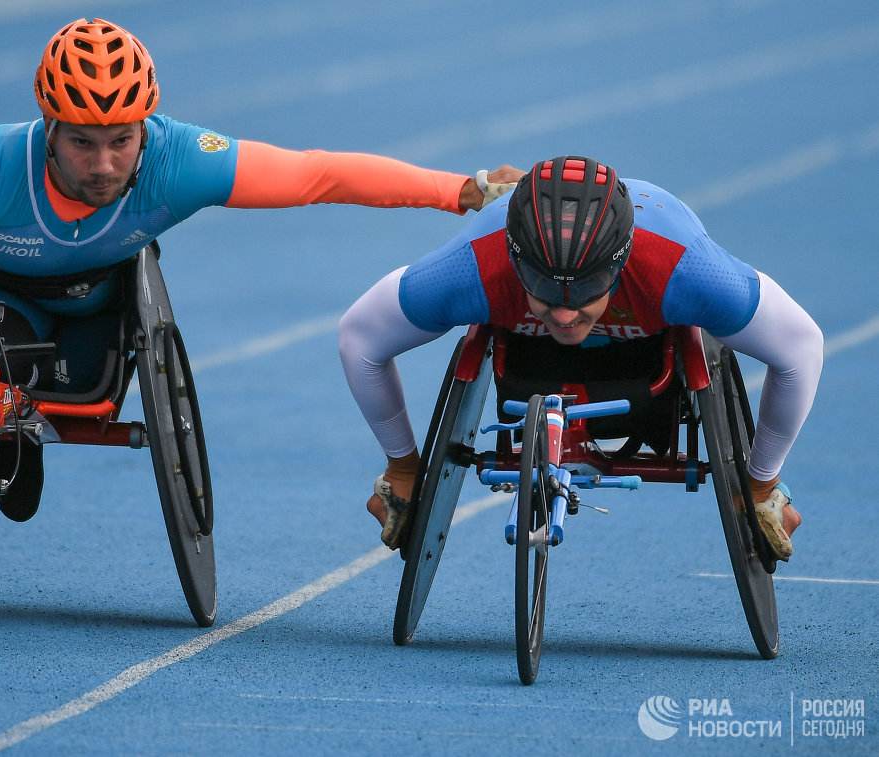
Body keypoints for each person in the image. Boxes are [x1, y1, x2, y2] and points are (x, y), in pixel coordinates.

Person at [0, 17, 518, 523]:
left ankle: (16, 425)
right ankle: (1, 422)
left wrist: (456, 192)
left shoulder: (176, 160)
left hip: (98, 309)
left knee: (83, 372)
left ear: (144, 125)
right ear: (49, 128)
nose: (106, 163)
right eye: (83, 142)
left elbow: (316, 174)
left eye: (121, 139)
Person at [338, 155, 821, 560]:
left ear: (621, 262)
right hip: (532, 356)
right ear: (514, 261)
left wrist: (761, 481)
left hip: (646, 355)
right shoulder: (474, 265)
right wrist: (404, 466)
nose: (566, 313)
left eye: (587, 290)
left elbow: (801, 347)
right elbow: (359, 337)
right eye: (545, 290)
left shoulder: (684, 269)